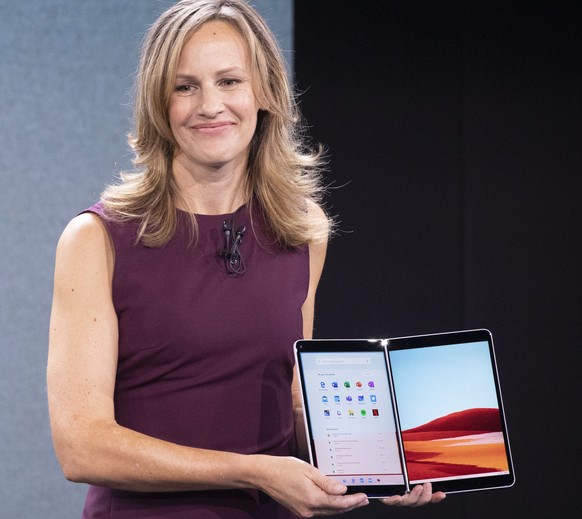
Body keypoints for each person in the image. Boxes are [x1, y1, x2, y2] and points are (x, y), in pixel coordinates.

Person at [47, 1, 445, 517]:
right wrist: (252, 468)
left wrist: (383, 461)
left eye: (230, 81)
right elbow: (82, 446)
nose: (210, 105)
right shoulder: (96, 239)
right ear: (157, 104)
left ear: (265, 94)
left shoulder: (303, 230)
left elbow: (291, 403)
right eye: (184, 86)